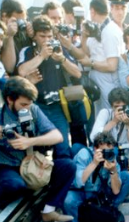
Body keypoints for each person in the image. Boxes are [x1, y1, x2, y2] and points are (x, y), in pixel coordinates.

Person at [0, 76, 76, 221]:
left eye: (29, 104)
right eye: (23, 104)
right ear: (10, 100)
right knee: (13, 185)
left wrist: (29, 141)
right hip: (7, 166)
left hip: (32, 164)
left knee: (68, 166)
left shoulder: (33, 109)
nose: (27, 108)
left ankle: (49, 209)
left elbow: (57, 136)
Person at [16, 15, 81, 143]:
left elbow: (78, 74)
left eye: (50, 36)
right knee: (38, 147)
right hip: (36, 105)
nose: (47, 40)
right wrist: (41, 56)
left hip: (57, 106)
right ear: (34, 36)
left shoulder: (58, 49)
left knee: (62, 147)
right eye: (42, 36)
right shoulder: (27, 51)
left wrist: (62, 59)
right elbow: (21, 71)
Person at [64, 131, 129, 222]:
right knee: (68, 200)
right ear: (95, 148)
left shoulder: (112, 158)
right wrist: (94, 163)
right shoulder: (84, 155)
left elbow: (116, 190)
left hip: (100, 192)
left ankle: (110, 208)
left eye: (109, 151)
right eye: (104, 151)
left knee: (127, 176)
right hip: (83, 192)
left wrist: (113, 171)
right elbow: (79, 182)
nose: (107, 154)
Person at [83, 0, 122, 111]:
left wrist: (90, 63)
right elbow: (87, 53)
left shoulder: (110, 30)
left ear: (92, 11)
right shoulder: (98, 28)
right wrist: (84, 36)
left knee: (107, 117)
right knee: (99, 120)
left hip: (108, 83)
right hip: (97, 83)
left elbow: (112, 66)